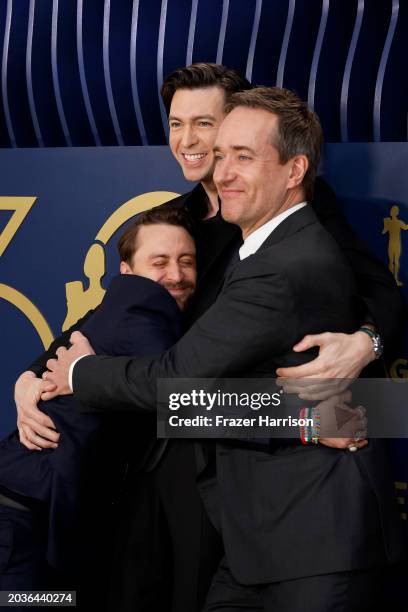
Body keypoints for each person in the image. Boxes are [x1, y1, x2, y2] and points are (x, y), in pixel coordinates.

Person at [14, 64, 405, 611]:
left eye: (212, 129)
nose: (195, 144)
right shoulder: (170, 220)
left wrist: (367, 341)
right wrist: (36, 376)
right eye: (178, 124)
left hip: (234, 467)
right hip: (154, 447)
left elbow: (378, 303)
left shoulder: (294, 231)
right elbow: (108, 318)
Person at [0, 207, 196, 609]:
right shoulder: (145, 309)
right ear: (127, 271)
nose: (176, 275)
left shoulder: (116, 306)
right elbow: (183, 402)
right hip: (21, 527)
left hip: (40, 523)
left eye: (187, 261)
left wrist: (33, 377)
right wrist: (311, 418)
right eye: (159, 262)